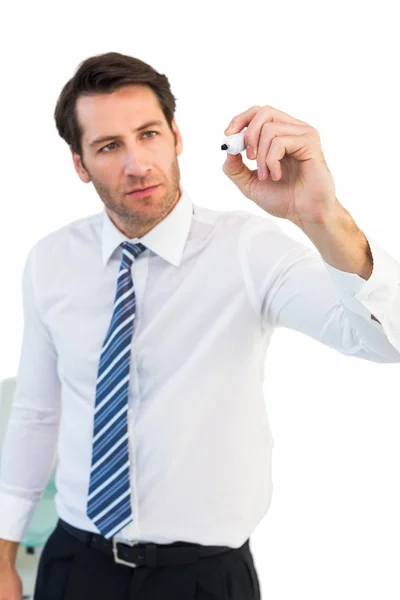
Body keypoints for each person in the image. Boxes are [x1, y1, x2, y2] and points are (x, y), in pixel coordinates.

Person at [0, 51, 399, 600]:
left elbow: (385, 340)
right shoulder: (50, 261)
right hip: (75, 565)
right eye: (109, 146)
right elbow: (37, 414)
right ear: (79, 163)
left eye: (148, 134)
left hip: (204, 579)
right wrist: (3, 557)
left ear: (176, 136)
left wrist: (322, 216)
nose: (137, 163)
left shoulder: (248, 251)